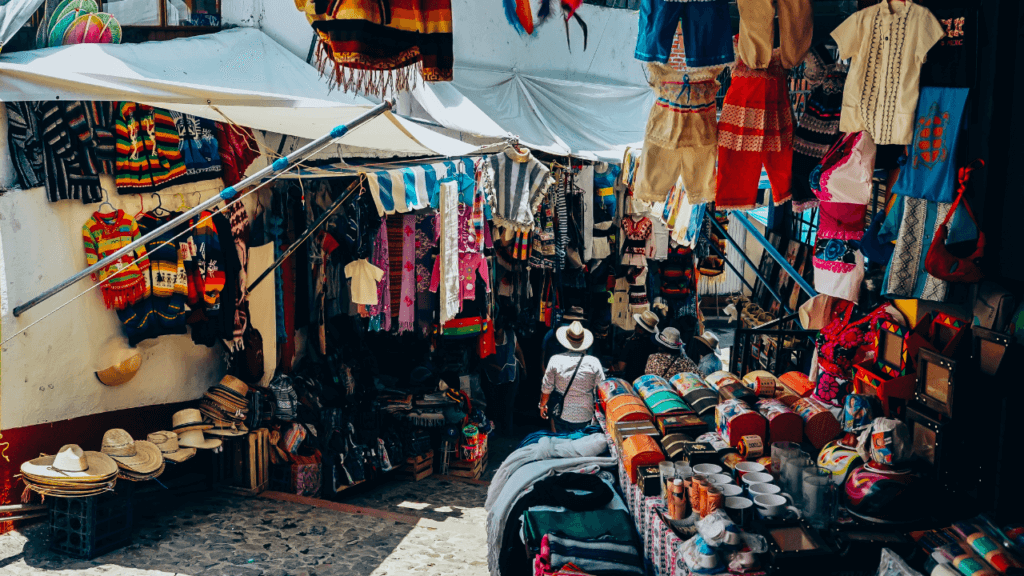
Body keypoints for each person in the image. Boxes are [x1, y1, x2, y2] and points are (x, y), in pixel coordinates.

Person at [539, 321, 605, 433]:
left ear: (566, 341)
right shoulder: (594, 363)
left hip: (561, 414)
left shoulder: (555, 360)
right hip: (585, 415)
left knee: (561, 444)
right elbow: (601, 390)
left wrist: (543, 406)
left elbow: (547, 388)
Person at [481, 310, 527, 436]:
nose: (496, 333)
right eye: (494, 331)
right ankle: (494, 430)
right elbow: (481, 359)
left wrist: (524, 368)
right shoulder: (487, 338)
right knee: (493, 404)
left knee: (508, 404)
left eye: (498, 330)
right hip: (492, 376)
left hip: (511, 375)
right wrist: (492, 366)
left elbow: (519, 351)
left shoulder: (511, 336)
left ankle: (507, 432)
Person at [613, 310, 660, 382]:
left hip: (633, 383)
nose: (635, 326)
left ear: (641, 329)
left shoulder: (631, 344)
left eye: (637, 325)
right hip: (649, 382)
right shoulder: (656, 347)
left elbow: (621, 367)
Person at [540, 306, 585, 374]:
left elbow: (543, 352)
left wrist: (543, 371)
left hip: (551, 371)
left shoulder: (552, 331)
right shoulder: (580, 335)